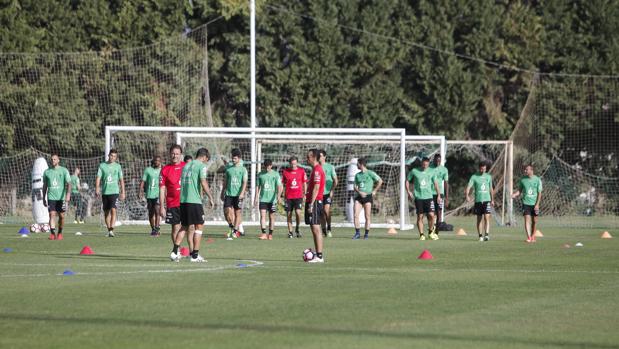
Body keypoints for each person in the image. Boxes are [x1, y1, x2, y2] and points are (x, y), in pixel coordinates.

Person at [172, 148, 215, 262]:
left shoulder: (186, 166)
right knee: (199, 226)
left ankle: (174, 251)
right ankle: (195, 256)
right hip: (194, 201)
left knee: (184, 226)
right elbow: (203, 181)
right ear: (204, 157)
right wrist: (210, 197)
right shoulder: (201, 166)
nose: (206, 161)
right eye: (207, 159)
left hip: (183, 201)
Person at [160, 145, 189, 259]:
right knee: (175, 228)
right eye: (173, 153)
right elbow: (162, 188)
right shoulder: (165, 169)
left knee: (190, 227)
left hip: (186, 202)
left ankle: (192, 252)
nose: (175, 156)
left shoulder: (186, 167)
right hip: (172, 203)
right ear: (169, 154)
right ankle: (178, 251)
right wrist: (162, 206)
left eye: (177, 153)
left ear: (181, 155)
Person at [406, 157, 441, 240]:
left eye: (426, 164)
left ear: (428, 164)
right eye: (423, 164)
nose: (425, 166)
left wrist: (439, 195)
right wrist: (408, 191)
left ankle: (430, 232)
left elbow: (435, 183)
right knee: (420, 216)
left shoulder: (432, 171)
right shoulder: (414, 171)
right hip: (419, 197)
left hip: (429, 197)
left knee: (431, 215)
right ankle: (421, 234)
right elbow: (407, 180)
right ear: (421, 163)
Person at [96, 149, 125, 237]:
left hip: (115, 192)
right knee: (106, 212)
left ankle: (112, 229)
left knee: (113, 209)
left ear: (116, 158)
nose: (112, 157)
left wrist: (123, 192)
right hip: (105, 192)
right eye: (111, 155)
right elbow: (98, 178)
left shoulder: (118, 166)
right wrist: (97, 188)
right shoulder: (102, 166)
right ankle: (109, 230)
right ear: (108, 155)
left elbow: (121, 180)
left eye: (114, 156)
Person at [42, 153, 71, 240]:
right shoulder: (47, 172)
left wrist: (68, 195)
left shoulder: (64, 170)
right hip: (51, 197)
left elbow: (69, 183)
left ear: (58, 160)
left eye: (55, 159)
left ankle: (60, 232)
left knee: (61, 216)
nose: (53, 161)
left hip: (61, 198)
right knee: (52, 214)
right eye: (52, 159)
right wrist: (43, 197)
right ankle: (52, 233)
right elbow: (45, 185)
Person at [352, 158, 383, 240]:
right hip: (359, 197)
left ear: (361, 164)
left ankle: (366, 234)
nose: (356, 165)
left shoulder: (370, 173)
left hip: (368, 196)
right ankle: (357, 233)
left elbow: (380, 181)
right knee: (355, 215)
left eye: (357, 164)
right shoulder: (357, 175)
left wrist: (374, 191)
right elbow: (354, 186)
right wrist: (359, 192)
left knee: (367, 216)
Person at [512, 164, 542, 243]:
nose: (525, 171)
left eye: (526, 169)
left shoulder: (537, 180)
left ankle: (533, 236)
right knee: (527, 220)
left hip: (535, 204)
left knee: (534, 221)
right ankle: (529, 237)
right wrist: (515, 194)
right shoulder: (523, 180)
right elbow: (520, 190)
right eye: (525, 170)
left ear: (531, 170)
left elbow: (539, 193)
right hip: (526, 203)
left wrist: (537, 204)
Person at [222, 148, 248, 240]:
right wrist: (222, 192)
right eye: (233, 158)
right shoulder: (229, 169)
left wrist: (241, 193)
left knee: (237, 212)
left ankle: (235, 231)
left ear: (239, 158)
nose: (233, 160)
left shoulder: (243, 169)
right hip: (229, 194)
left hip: (238, 195)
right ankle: (231, 226)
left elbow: (244, 182)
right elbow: (225, 181)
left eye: (235, 158)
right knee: (226, 211)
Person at [465, 161, 495, 242]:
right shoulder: (474, 177)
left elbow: (491, 188)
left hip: (487, 200)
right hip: (478, 201)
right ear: (479, 168)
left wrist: (492, 199)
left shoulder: (488, 177)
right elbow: (469, 186)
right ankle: (480, 236)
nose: (483, 171)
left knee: (487, 217)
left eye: (484, 169)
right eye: (482, 169)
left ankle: (487, 235)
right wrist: (467, 195)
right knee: (479, 219)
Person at [254, 159, 283, 240]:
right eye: (266, 167)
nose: (267, 168)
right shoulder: (260, 175)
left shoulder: (275, 174)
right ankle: (263, 233)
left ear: (271, 166)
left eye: (269, 167)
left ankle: (270, 234)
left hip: (272, 200)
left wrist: (278, 196)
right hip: (263, 199)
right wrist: (256, 197)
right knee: (262, 216)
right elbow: (258, 187)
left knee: (271, 217)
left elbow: (280, 186)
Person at [305, 149, 325, 263]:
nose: (307, 159)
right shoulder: (314, 170)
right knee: (313, 228)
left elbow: (317, 188)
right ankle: (318, 254)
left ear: (314, 157)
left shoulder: (317, 170)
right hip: (312, 201)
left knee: (316, 228)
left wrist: (311, 203)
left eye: (308, 157)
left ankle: (320, 256)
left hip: (316, 201)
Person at [282, 156, 307, 238]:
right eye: (292, 164)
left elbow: (304, 183)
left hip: (298, 196)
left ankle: (297, 228)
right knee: (289, 214)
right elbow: (283, 184)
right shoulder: (285, 172)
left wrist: (305, 194)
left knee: (298, 213)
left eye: (295, 164)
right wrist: (281, 195)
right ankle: (290, 232)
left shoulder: (301, 171)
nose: (293, 165)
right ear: (290, 164)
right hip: (288, 197)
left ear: (297, 163)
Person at [140, 156, 162, 236]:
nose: (157, 162)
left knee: (157, 211)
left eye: (159, 161)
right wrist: (140, 191)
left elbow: (164, 184)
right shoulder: (148, 170)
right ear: (153, 161)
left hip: (158, 194)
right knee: (151, 213)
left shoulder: (161, 170)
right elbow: (143, 181)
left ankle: (156, 228)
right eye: (156, 160)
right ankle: (153, 229)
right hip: (149, 195)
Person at [319, 149, 338, 238]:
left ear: (325, 157)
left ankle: (329, 228)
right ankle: (323, 231)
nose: (319, 157)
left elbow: (336, 180)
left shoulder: (330, 167)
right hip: (318, 194)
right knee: (321, 213)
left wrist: (331, 190)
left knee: (326, 211)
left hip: (327, 193)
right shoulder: (316, 167)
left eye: (321, 155)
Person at [430, 153, 449, 232]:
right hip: (430, 193)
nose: (438, 162)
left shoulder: (444, 169)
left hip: (439, 193)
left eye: (439, 161)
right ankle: (431, 228)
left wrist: (447, 197)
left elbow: (446, 183)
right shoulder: (429, 168)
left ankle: (436, 230)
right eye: (436, 161)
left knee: (439, 211)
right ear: (433, 160)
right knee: (431, 212)